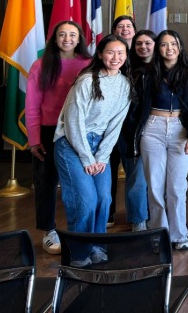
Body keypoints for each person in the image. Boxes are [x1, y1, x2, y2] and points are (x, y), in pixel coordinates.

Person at [54, 35, 131, 267]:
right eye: (110, 52)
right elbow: (73, 121)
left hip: (100, 147)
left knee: (104, 199)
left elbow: (115, 125)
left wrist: (102, 156)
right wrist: (87, 157)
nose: (115, 58)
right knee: (85, 200)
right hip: (71, 144)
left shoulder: (125, 84)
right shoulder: (87, 80)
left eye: (121, 53)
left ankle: (97, 245)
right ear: (100, 54)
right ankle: (78, 252)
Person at [133, 30, 188, 249]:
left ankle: (179, 235)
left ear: (180, 46)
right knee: (155, 186)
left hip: (181, 129)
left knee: (176, 186)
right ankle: (160, 234)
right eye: (164, 45)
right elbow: (137, 106)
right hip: (152, 128)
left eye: (173, 44)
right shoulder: (147, 72)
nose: (169, 49)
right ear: (158, 48)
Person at [26, 21, 91, 255]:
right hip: (47, 130)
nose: (67, 39)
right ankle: (48, 230)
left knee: (80, 184)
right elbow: (32, 105)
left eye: (72, 35)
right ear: (54, 39)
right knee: (46, 182)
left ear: (79, 39)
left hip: (79, 131)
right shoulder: (41, 65)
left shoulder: (89, 64)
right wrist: (34, 139)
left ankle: (82, 230)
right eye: (62, 34)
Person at [121, 28, 156, 231]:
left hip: (158, 131)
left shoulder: (164, 68)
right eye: (139, 44)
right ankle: (138, 220)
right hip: (130, 131)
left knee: (156, 180)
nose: (143, 47)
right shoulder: (126, 68)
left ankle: (153, 217)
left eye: (148, 43)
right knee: (136, 179)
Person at [107, 15, 137, 225]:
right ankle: (108, 212)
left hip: (130, 125)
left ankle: (135, 216)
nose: (125, 29)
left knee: (133, 172)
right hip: (107, 125)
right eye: (121, 26)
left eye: (129, 26)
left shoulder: (140, 54)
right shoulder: (108, 56)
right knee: (107, 170)